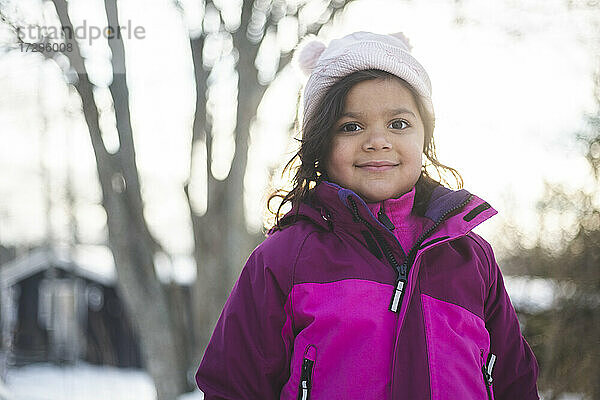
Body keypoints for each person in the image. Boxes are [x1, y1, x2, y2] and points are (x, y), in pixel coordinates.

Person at [195, 31, 539, 400]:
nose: (378, 140)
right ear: (320, 144)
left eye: (399, 124)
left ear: (425, 136)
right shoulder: (284, 259)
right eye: (351, 126)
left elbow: (515, 382)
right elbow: (233, 387)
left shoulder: (471, 257)